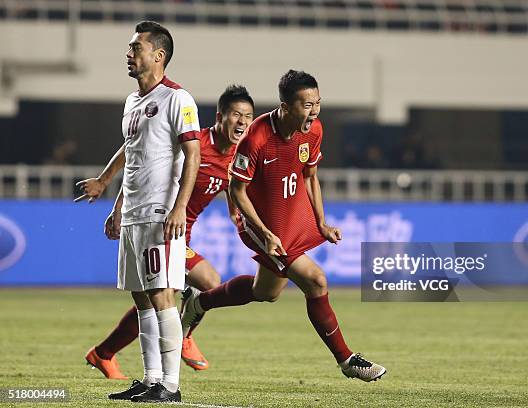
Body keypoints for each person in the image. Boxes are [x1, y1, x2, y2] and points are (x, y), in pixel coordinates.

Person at [182, 70, 386, 382]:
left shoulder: (314, 129)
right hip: (260, 223)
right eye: (307, 105)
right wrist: (263, 233)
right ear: (285, 107)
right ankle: (347, 359)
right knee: (316, 280)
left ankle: (198, 303)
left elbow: (309, 176)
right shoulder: (257, 137)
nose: (314, 111)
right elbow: (237, 190)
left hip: (291, 220)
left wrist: (321, 223)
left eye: (317, 103)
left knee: (265, 292)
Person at [84, 85, 255, 379]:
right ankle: (180, 339)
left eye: (248, 117)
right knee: (199, 283)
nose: (242, 122)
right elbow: (139, 153)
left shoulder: (238, 156)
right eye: (236, 115)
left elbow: (234, 195)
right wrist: (115, 201)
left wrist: (241, 217)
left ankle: (104, 353)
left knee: (163, 297)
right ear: (219, 116)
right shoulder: (195, 141)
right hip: (159, 224)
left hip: (181, 234)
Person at [75, 21, 201, 403]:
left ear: (158, 55)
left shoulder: (179, 99)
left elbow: (193, 154)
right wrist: (111, 194)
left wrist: (180, 207)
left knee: (162, 294)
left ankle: (171, 386)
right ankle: (150, 379)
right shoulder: (133, 102)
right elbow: (131, 152)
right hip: (133, 213)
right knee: (142, 297)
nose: (129, 54)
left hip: (161, 213)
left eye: (136, 48)